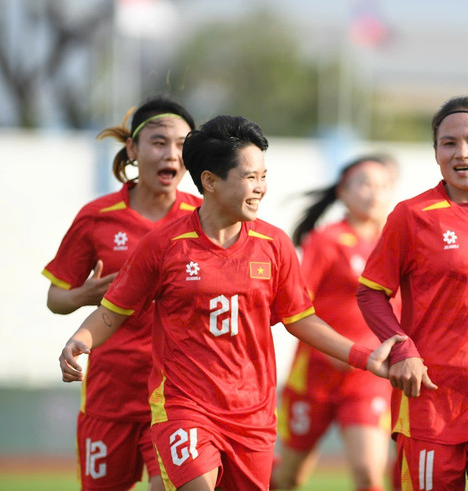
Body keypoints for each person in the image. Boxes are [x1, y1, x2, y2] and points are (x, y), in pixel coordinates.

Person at [58, 116, 404, 491]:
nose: (261, 189)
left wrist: (364, 358)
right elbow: (114, 310)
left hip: (252, 415)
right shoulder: (164, 246)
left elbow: (301, 320)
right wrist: (83, 339)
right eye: (250, 177)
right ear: (209, 181)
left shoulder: (274, 245)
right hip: (184, 406)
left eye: (263, 176)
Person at [357, 96, 468, 491]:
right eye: (448, 143)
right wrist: (403, 349)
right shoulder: (412, 215)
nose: (463, 154)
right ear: (436, 152)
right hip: (430, 398)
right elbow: (371, 292)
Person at [42, 94, 200, 491]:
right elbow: (55, 298)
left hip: (174, 395)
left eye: (182, 145)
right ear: (133, 148)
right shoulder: (97, 217)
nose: (172, 154)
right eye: (160, 142)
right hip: (109, 393)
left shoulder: (202, 218)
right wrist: (86, 294)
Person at [273, 156, 398, 491]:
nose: (374, 193)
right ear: (344, 191)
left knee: (369, 475)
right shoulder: (326, 241)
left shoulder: (396, 245)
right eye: (365, 184)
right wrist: (329, 346)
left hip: (367, 379)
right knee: (287, 479)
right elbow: (296, 302)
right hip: (314, 374)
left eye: (383, 185)